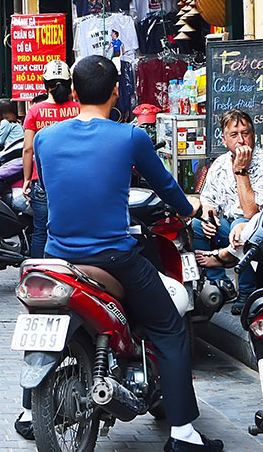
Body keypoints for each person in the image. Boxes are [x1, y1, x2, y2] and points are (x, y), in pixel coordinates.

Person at [25, 55, 218, 452]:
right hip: (114, 258)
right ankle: (183, 433)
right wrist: (191, 207)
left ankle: (29, 410)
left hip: (57, 258)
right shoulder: (131, 137)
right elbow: (165, 186)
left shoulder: (45, 138)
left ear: (74, 93)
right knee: (169, 327)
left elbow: (60, 185)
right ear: (117, 92)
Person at [194, 109, 263, 314]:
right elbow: (207, 199)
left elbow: (252, 213)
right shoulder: (220, 164)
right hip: (228, 227)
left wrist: (241, 170)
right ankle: (219, 283)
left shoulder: (261, 162)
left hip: (254, 229)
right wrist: (208, 216)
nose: (241, 140)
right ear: (225, 140)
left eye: (246, 133)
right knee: (198, 225)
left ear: (254, 135)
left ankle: (247, 292)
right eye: (234, 135)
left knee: (241, 227)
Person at [22, 60, 80, 259]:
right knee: (73, 230)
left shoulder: (35, 111)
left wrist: (27, 178)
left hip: (43, 182)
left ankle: (39, 273)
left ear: (45, 83)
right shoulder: (78, 109)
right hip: (75, 181)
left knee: (41, 231)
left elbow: (28, 149)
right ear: (69, 82)